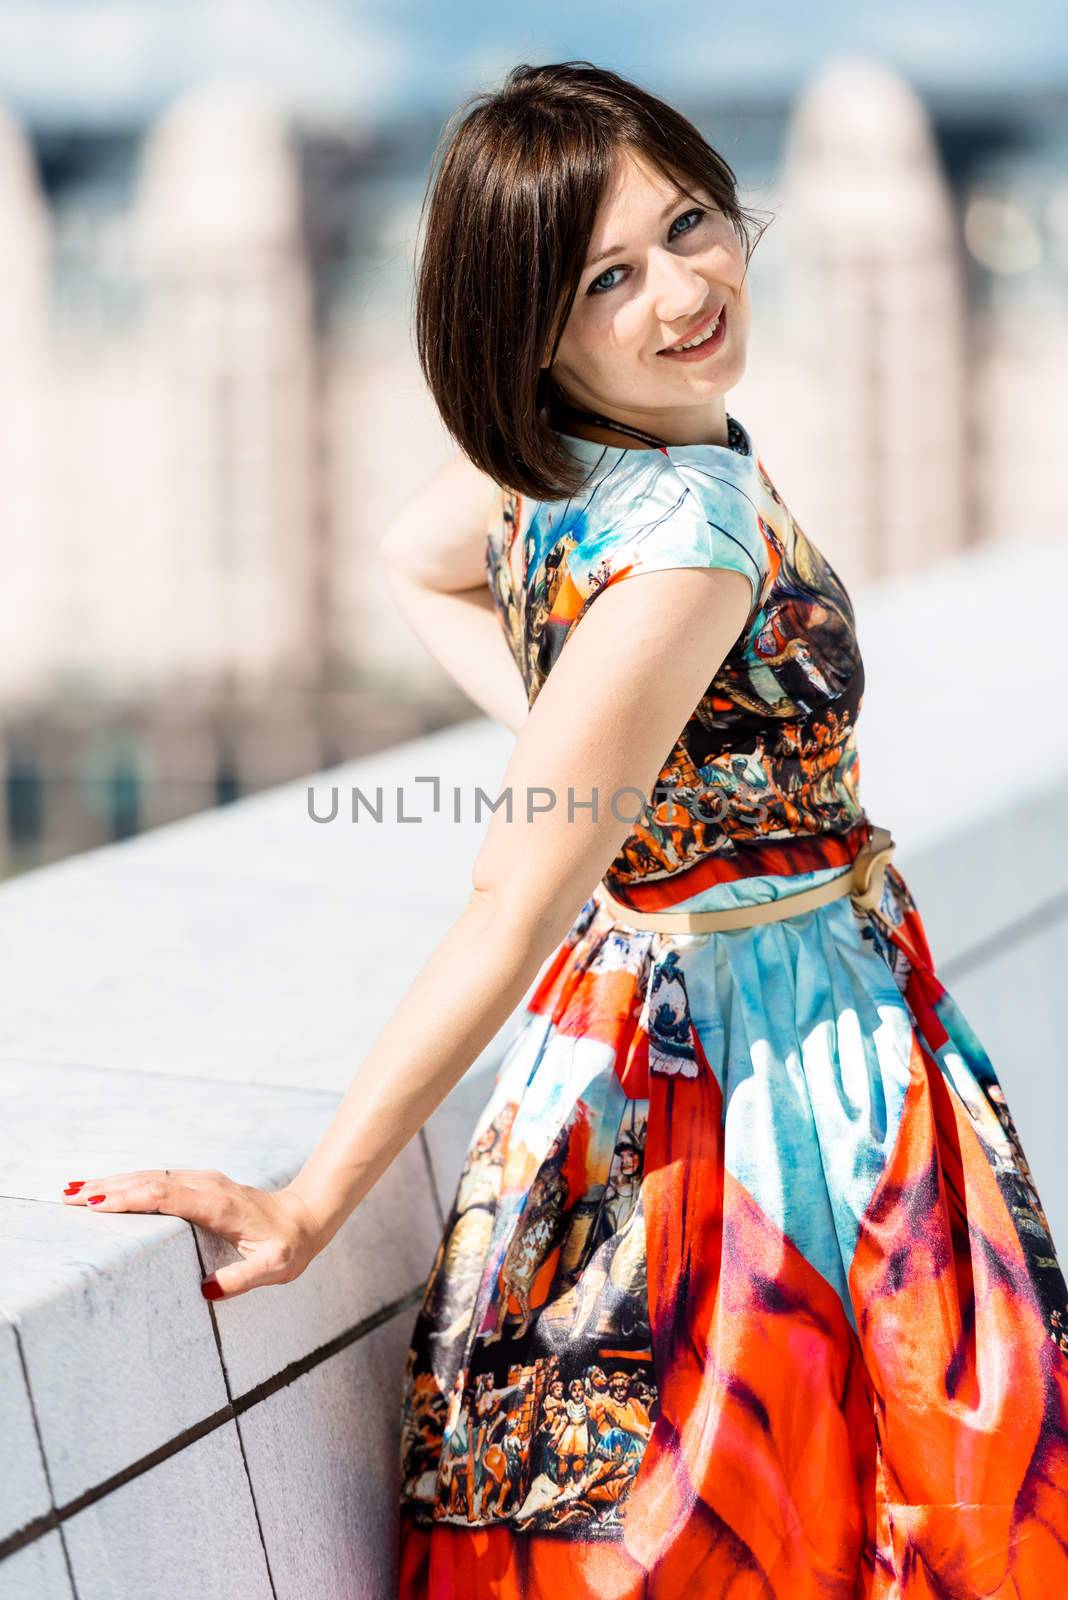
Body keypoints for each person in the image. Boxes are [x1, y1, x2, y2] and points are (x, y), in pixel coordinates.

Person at [62, 60, 1068, 1598]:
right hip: (758, 1091)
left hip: (681, 1032)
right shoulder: (689, 540)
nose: (684, 290)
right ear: (525, 322)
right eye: (610, 276)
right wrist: (312, 1199)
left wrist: (604, 759)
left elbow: (422, 563)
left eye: (688, 222)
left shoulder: (586, 460)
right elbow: (515, 889)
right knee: (783, 1525)